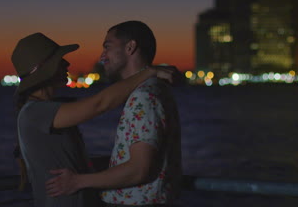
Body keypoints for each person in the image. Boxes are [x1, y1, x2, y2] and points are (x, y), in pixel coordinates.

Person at [11, 32, 176, 207]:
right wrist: (148, 73)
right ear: (46, 69)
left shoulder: (45, 110)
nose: (67, 63)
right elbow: (100, 104)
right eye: (60, 60)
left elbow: (75, 160)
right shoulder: (34, 112)